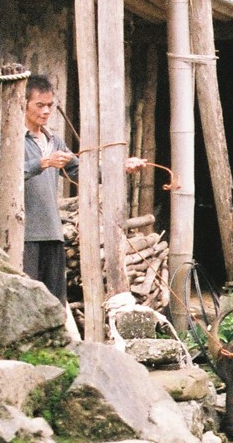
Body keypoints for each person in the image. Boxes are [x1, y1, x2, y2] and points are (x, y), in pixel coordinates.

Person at [22, 75, 143, 304]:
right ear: (24, 104)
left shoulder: (54, 140)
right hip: (25, 235)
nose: (46, 111)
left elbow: (81, 171)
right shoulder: (13, 138)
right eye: (40, 105)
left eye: (50, 105)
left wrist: (119, 168)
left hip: (52, 233)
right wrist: (43, 162)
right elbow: (9, 173)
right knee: (27, 302)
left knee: (54, 302)